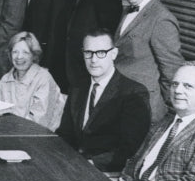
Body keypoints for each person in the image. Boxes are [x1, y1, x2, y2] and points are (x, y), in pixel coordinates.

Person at [57, 29, 151, 173]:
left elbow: (130, 148)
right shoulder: (78, 87)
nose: (93, 60)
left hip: (106, 172)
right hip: (72, 165)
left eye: (101, 53)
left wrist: (90, 164)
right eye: (88, 53)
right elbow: (65, 133)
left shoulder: (133, 92)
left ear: (113, 54)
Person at [114, 0, 185, 121]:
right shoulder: (127, 11)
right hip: (121, 100)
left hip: (145, 106)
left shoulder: (161, 18)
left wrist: (166, 110)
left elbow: (172, 71)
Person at [0, 31, 64, 131]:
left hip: (39, 135)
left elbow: (38, 123)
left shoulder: (44, 78)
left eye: (25, 52)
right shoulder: (4, 80)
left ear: (34, 55)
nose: (19, 57)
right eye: (15, 52)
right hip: (9, 133)